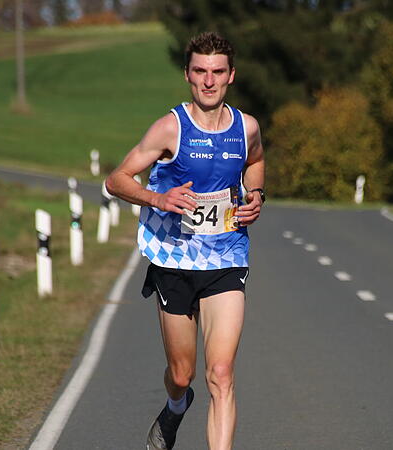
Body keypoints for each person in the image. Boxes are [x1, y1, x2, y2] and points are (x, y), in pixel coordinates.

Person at [105, 31, 264, 450]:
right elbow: (116, 179)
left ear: (231, 75)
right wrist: (158, 198)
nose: (209, 81)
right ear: (188, 75)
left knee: (222, 374)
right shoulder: (170, 128)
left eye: (217, 72)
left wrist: (256, 194)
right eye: (200, 71)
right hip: (174, 259)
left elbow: (256, 160)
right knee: (182, 375)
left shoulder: (246, 127)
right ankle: (175, 406)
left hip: (226, 257)